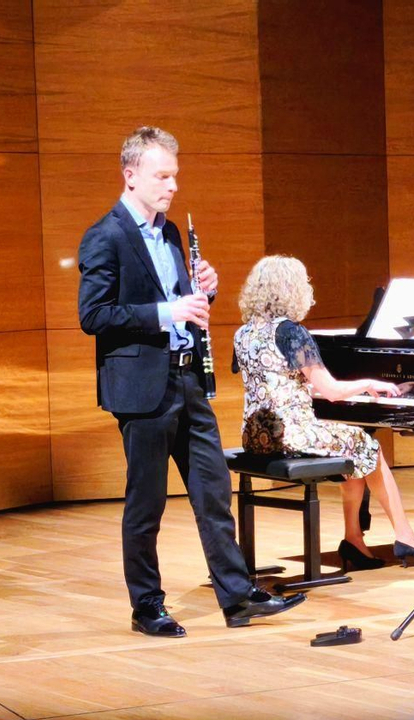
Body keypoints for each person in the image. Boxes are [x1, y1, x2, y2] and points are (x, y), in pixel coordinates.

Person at [78, 126, 304, 637]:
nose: (172, 185)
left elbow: (187, 309)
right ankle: (147, 607)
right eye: (162, 176)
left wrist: (205, 291)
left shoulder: (172, 233)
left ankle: (237, 595)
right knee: (147, 503)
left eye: (175, 176)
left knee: (213, 491)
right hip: (142, 390)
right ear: (130, 175)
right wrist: (167, 310)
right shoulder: (105, 235)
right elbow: (93, 315)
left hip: (186, 382)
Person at [233, 255, 414, 571]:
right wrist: (370, 382)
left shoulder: (244, 334)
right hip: (291, 433)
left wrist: (358, 389)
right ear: (291, 289)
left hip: (256, 435)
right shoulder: (291, 332)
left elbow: (286, 385)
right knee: (367, 447)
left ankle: (354, 541)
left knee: (351, 450)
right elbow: (330, 391)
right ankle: (404, 535)